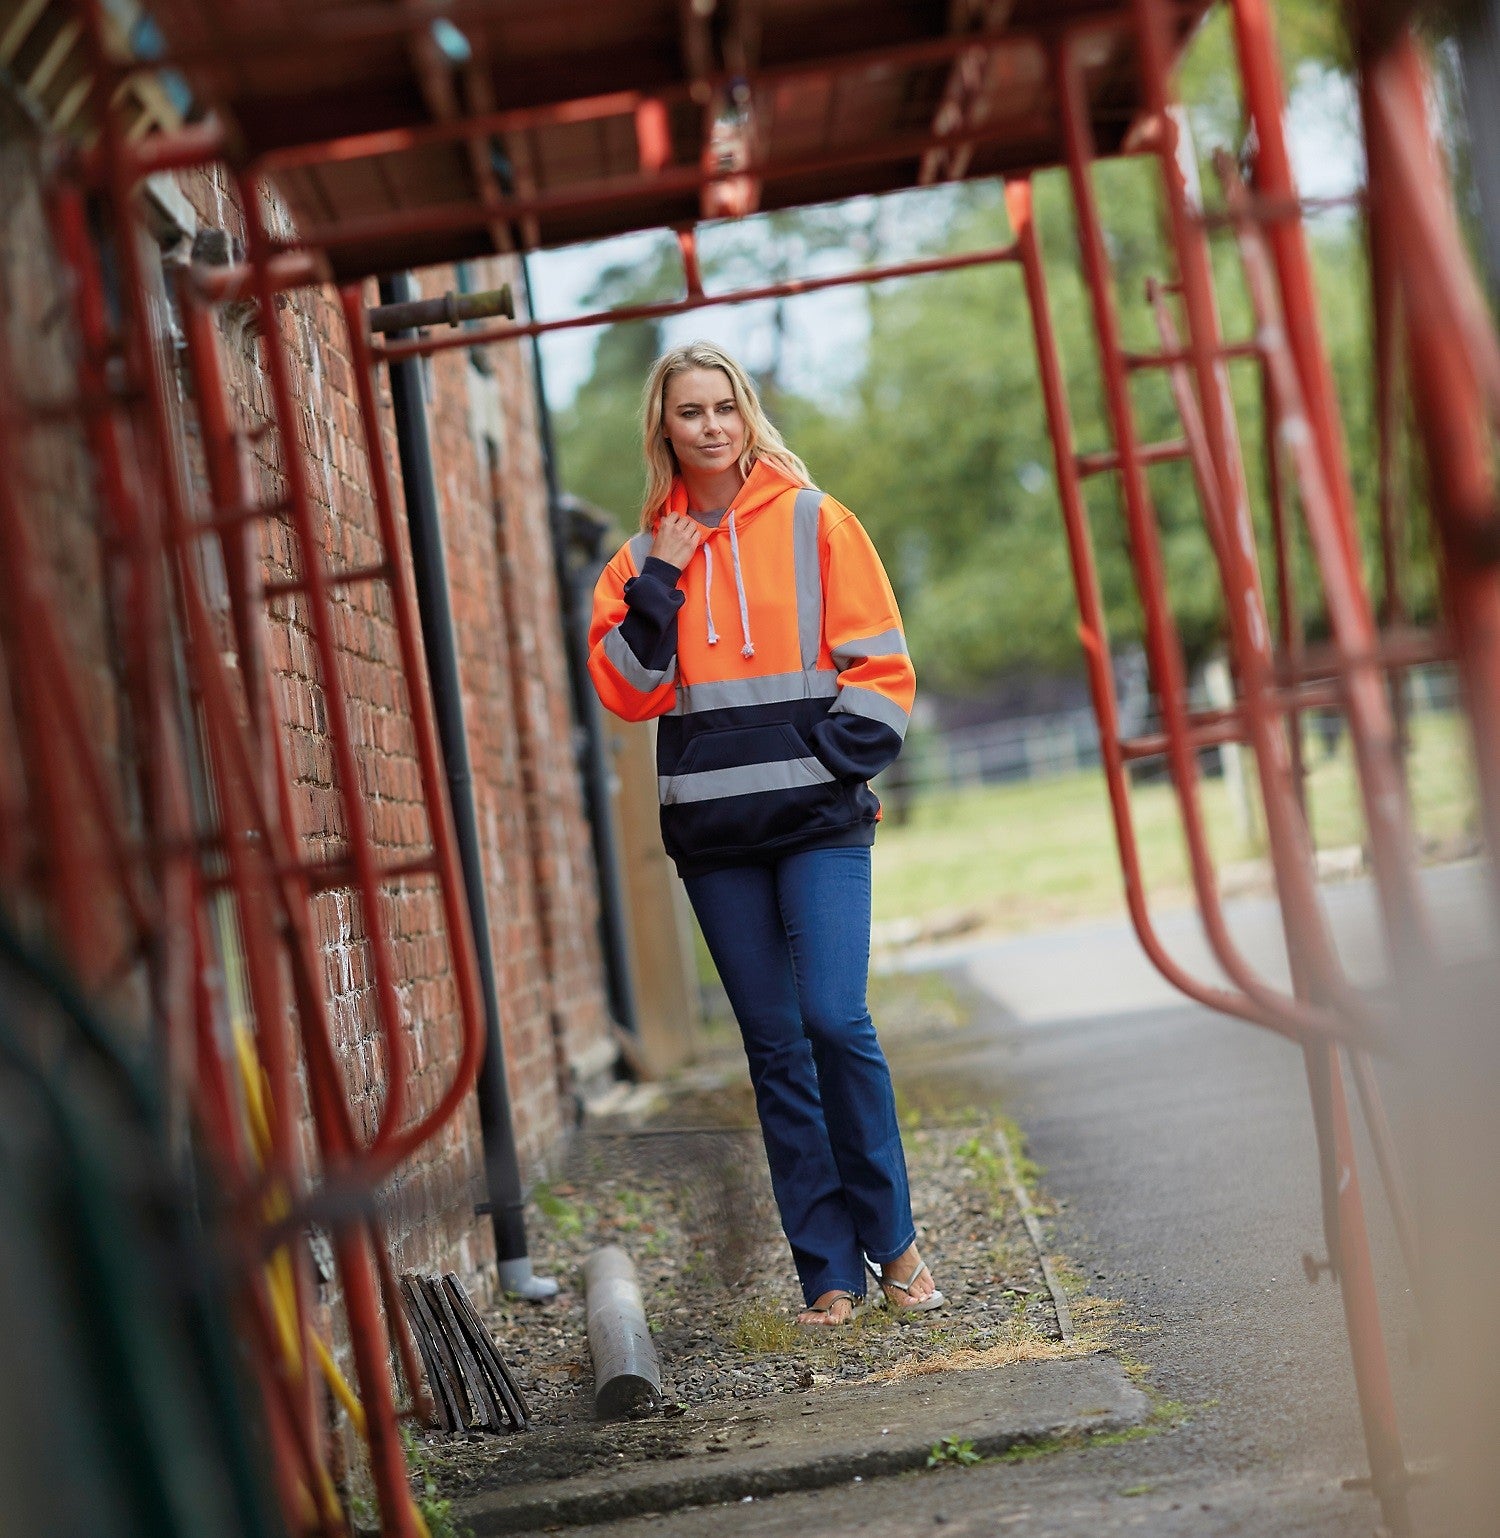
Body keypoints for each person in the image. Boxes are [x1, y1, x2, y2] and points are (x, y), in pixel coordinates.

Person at [587, 340, 942, 1327]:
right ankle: (828, 1273)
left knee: (835, 1019)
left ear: (746, 415)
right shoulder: (635, 562)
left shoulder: (817, 520)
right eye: (689, 411)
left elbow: (882, 665)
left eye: (724, 407)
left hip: (820, 821)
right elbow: (627, 689)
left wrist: (829, 760)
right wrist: (662, 577)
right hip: (716, 838)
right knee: (776, 1048)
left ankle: (897, 1245)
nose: (710, 427)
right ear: (663, 427)